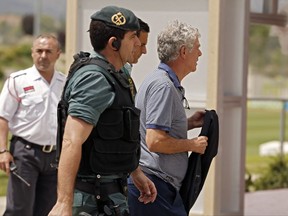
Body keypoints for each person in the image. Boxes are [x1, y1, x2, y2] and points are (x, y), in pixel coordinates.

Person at [48, 6, 156, 216]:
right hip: (91, 200)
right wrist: (63, 203)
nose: (137, 43)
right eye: (133, 36)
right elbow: (72, 139)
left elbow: (115, 130)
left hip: (109, 194)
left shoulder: (115, 76)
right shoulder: (95, 79)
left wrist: (135, 171)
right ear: (114, 43)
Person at [127, 20, 208, 216]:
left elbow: (154, 129)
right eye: (197, 47)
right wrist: (192, 145)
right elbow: (155, 141)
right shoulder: (163, 86)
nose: (200, 53)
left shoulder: (161, 81)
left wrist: (189, 124)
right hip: (153, 188)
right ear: (183, 52)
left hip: (158, 187)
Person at [0, 34, 65, 216]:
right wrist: (3, 151)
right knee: (20, 210)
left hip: (54, 156)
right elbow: (2, 117)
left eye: (48, 51)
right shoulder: (18, 80)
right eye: (39, 51)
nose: (43, 56)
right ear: (32, 53)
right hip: (25, 153)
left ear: (58, 54)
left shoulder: (65, 83)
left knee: (47, 210)